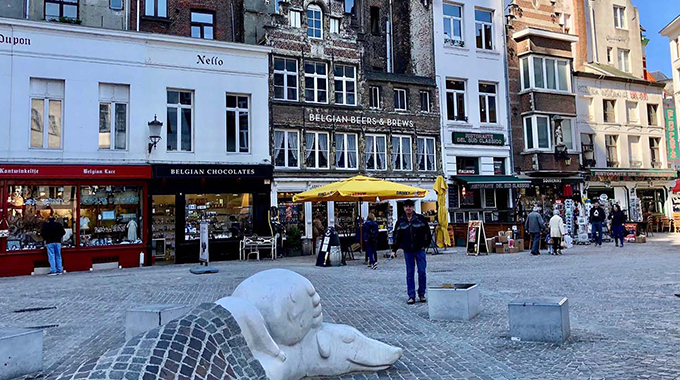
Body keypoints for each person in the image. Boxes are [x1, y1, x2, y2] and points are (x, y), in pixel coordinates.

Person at [392, 199, 431, 304]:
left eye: (410, 206)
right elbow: (396, 236)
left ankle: (422, 293)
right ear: (404, 208)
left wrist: (425, 245)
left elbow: (427, 233)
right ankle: (411, 295)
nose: (408, 208)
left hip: (419, 249)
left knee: (422, 272)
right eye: (406, 206)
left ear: (413, 207)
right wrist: (394, 250)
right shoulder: (401, 221)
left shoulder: (420, 219)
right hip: (408, 250)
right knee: (410, 273)